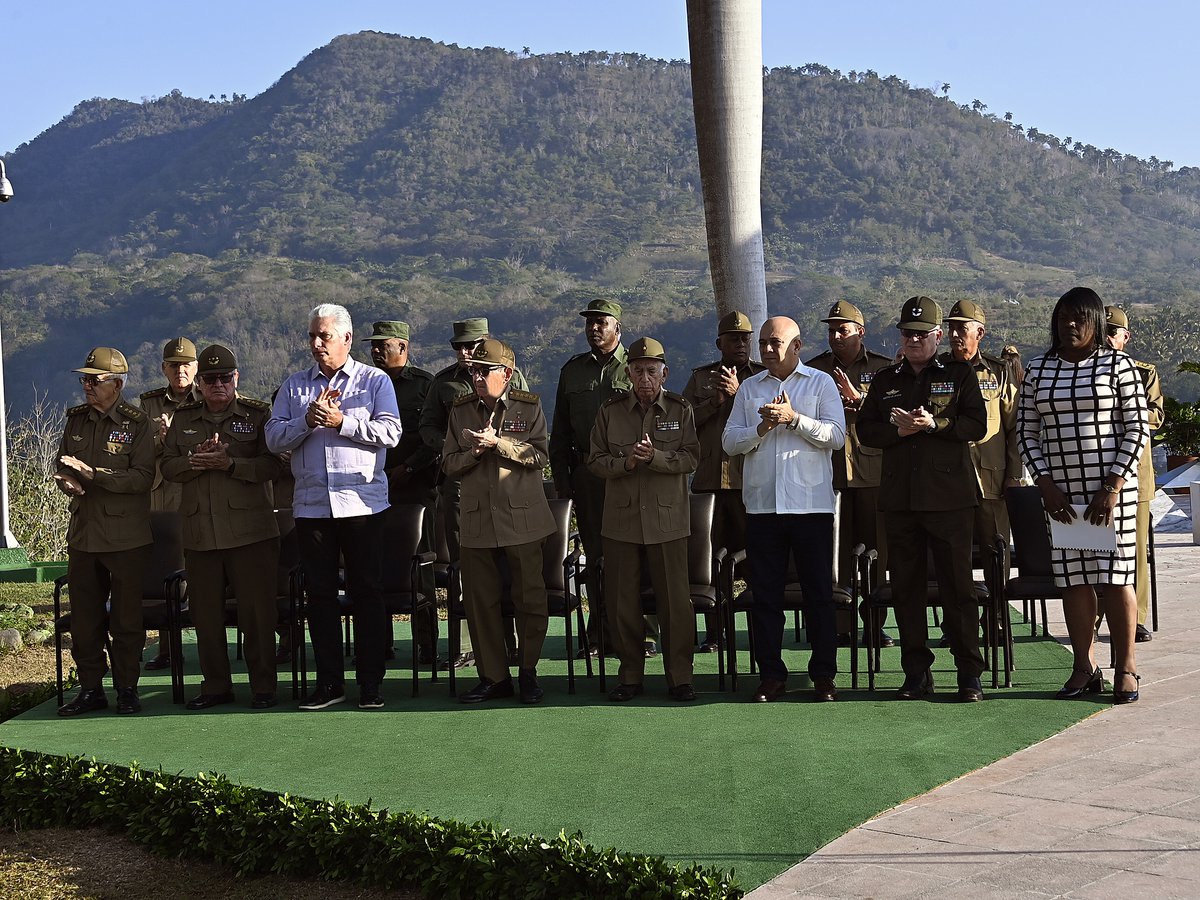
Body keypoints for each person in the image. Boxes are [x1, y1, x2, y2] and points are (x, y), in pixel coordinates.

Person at [266, 303, 401, 711]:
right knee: (319, 595)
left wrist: (342, 422)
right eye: (312, 336)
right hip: (311, 507)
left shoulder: (374, 381)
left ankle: (371, 683)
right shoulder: (294, 386)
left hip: (362, 504)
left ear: (346, 338)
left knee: (367, 593)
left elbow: (391, 432)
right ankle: (329, 684)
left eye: (324, 335)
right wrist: (306, 422)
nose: (316, 343)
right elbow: (273, 439)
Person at [1017, 288, 1149, 704]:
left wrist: (1113, 485)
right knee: (1074, 581)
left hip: (1110, 496)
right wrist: (1044, 482)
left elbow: (1137, 429)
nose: (1069, 325)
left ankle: (1125, 666)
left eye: (1078, 318)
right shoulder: (1039, 370)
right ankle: (1083, 666)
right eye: (1062, 318)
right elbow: (1025, 431)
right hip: (1061, 497)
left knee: (1115, 579)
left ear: (1096, 322)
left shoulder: (1118, 366)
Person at [857, 297, 988, 702]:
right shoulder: (884, 380)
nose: (913, 340)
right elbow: (866, 431)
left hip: (949, 501)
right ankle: (916, 673)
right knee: (907, 591)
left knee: (958, 591)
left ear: (937, 336)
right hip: (901, 501)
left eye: (921, 334)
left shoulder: (959, 373)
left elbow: (977, 425)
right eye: (906, 333)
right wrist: (898, 433)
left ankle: (969, 673)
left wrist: (935, 423)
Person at [722, 317, 846, 703]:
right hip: (763, 509)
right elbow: (728, 442)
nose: (767, 349)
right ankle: (771, 675)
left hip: (811, 508)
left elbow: (837, 437)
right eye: (763, 343)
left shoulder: (820, 383)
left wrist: (794, 420)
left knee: (819, 597)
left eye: (775, 343)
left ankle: (824, 675)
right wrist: (760, 430)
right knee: (766, 598)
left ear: (797, 347)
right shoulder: (749, 388)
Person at [162, 345, 283, 710]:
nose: (218, 385)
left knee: (257, 615)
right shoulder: (183, 420)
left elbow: (272, 465)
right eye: (210, 379)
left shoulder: (258, 415)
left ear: (236, 379)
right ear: (198, 383)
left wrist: (231, 464)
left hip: (251, 534)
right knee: (206, 617)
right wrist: (192, 461)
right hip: (201, 536)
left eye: (225, 378)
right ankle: (216, 686)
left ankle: (263, 687)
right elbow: (167, 467)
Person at [443, 338, 556, 704]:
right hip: (477, 522)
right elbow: (448, 464)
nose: (476, 376)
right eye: (473, 370)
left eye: (484, 370)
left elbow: (539, 455)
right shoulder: (459, 411)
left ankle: (528, 672)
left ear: (506, 374)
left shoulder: (528, 407)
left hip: (523, 521)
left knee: (530, 599)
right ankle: (494, 677)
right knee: (480, 602)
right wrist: (474, 453)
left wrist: (500, 444)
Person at [589, 337, 698, 702]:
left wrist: (655, 459)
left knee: (676, 603)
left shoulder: (681, 409)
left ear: (664, 373)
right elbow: (595, 462)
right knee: (622, 602)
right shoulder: (610, 410)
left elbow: (690, 459)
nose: (645, 378)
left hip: (668, 522)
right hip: (621, 523)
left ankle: (679, 677)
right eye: (638, 371)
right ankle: (630, 676)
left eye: (652, 371)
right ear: (628, 373)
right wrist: (627, 463)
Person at [419, 317, 528, 669]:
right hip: (462, 483)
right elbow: (428, 427)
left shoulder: (512, 374)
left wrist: (500, 446)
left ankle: (510, 644)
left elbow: (527, 422)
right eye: (459, 347)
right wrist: (458, 447)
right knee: (464, 564)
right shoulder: (444, 383)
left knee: (509, 563)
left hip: (505, 481)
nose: (465, 352)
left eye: (471, 345)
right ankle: (467, 646)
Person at [54, 348, 154, 716]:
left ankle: (127, 688)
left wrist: (96, 475)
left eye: (94, 381)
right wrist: (67, 480)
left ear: (117, 384)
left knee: (127, 620)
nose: (87, 387)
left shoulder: (136, 423)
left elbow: (144, 478)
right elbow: (63, 462)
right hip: (84, 534)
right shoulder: (76, 419)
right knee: (84, 619)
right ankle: (91, 689)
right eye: (85, 380)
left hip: (125, 537)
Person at [549, 298, 644, 658]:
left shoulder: (635, 367)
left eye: (601, 322)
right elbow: (560, 431)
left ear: (618, 327)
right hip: (588, 475)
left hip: (631, 474)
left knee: (636, 553)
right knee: (597, 557)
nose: (594, 328)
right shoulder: (572, 371)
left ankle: (642, 632)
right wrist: (563, 483)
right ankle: (599, 634)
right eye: (589, 322)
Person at [805, 301, 894, 647]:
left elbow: (895, 412)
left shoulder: (885, 370)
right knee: (835, 557)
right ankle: (840, 626)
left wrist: (860, 400)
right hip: (828, 476)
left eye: (843, 329)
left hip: (873, 475)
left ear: (861, 332)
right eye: (831, 330)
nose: (836, 336)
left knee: (875, 555)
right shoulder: (813, 371)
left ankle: (875, 624)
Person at [682, 310, 765, 652]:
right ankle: (716, 633)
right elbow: (681, 422)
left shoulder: (762, 378)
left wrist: (737, 395)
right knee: (711, 562)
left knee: (756, 560)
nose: (741, 344)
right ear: (720, 343)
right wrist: (714, 402)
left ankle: (761, 629)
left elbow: (770, 420)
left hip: (750, 484)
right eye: (734, 339)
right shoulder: (702, 378)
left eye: (746, 338)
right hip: (709, 485)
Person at [940, 300, 1023, 630]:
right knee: (952, 555)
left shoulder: (998, 372)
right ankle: (956, 622)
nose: (955, 334)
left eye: (962, 328)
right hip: (947, 481)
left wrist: (1014, 474)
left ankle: (997, 616)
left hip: (990, 478)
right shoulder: (938, 369)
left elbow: (1015, 426)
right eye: (951, 328)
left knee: (995, 552)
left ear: (980, 333)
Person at [364, 320, 440, 665]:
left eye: (384, 345)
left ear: (404, 348)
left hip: (415, 487)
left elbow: (434, 436)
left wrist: (408, 468)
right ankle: (381, 643)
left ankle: (426, 642)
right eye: (374, 346)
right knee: (374, 563)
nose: (377, 351)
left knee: (418, 564)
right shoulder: (363, 383)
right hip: (371, 488)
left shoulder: (425, 385)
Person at [1101, 306, 1163, 643]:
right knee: (1092, 548)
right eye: (1103, 331)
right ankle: (1094, 616)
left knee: (1134, 550)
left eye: (1114, 332)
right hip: (1092, 472)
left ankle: (1134, 619)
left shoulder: (1142, 372)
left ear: (1126, 337)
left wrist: (1125, 414)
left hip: (1134, 475)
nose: (1108, 338)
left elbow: (1155, 415)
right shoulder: (1085, 371)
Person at [138, 337, 200, 671]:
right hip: (162, 492)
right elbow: (137, 449)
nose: (181, 371)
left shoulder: (208, 397)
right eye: (174, 365)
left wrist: (178, 439)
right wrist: (159, 439)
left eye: (187, 364)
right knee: (164, 567)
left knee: (201, 565)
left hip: (196, 487)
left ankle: (210, 642)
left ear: (196, 367)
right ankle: (166, 647)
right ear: (164, 368)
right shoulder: (148, 404)